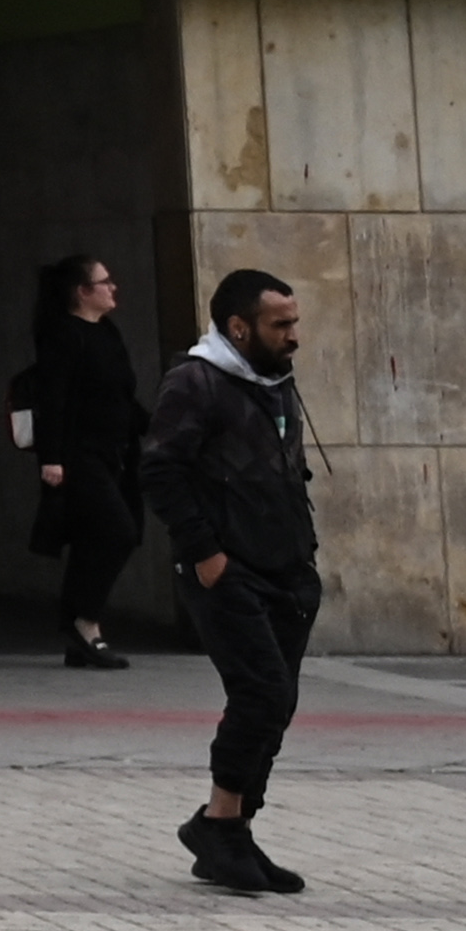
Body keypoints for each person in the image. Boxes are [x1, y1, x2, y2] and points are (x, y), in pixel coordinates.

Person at [140, 267, 320, 895]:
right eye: (281, 324)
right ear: (239, 328)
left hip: (286, 570)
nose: (293, 335)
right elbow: (161, 471)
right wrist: (207, 555)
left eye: (294, 322)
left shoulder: (273, 378)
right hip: (229, 571)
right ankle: (220, 826)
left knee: (279, 702)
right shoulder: (195, 381)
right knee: (261, 694)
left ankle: (233, 827)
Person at [13, 253, 148, 670]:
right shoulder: (63, 335)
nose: (113, 288)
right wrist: (51, 459)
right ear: (82, 292)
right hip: (78, 457)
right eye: (104, 282)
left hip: (116, 453)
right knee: (116, 531)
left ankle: (78, 633)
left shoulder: (108, 333)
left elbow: (120, 396)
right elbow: (52, 400)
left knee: (102, 537)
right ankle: (86, 622)